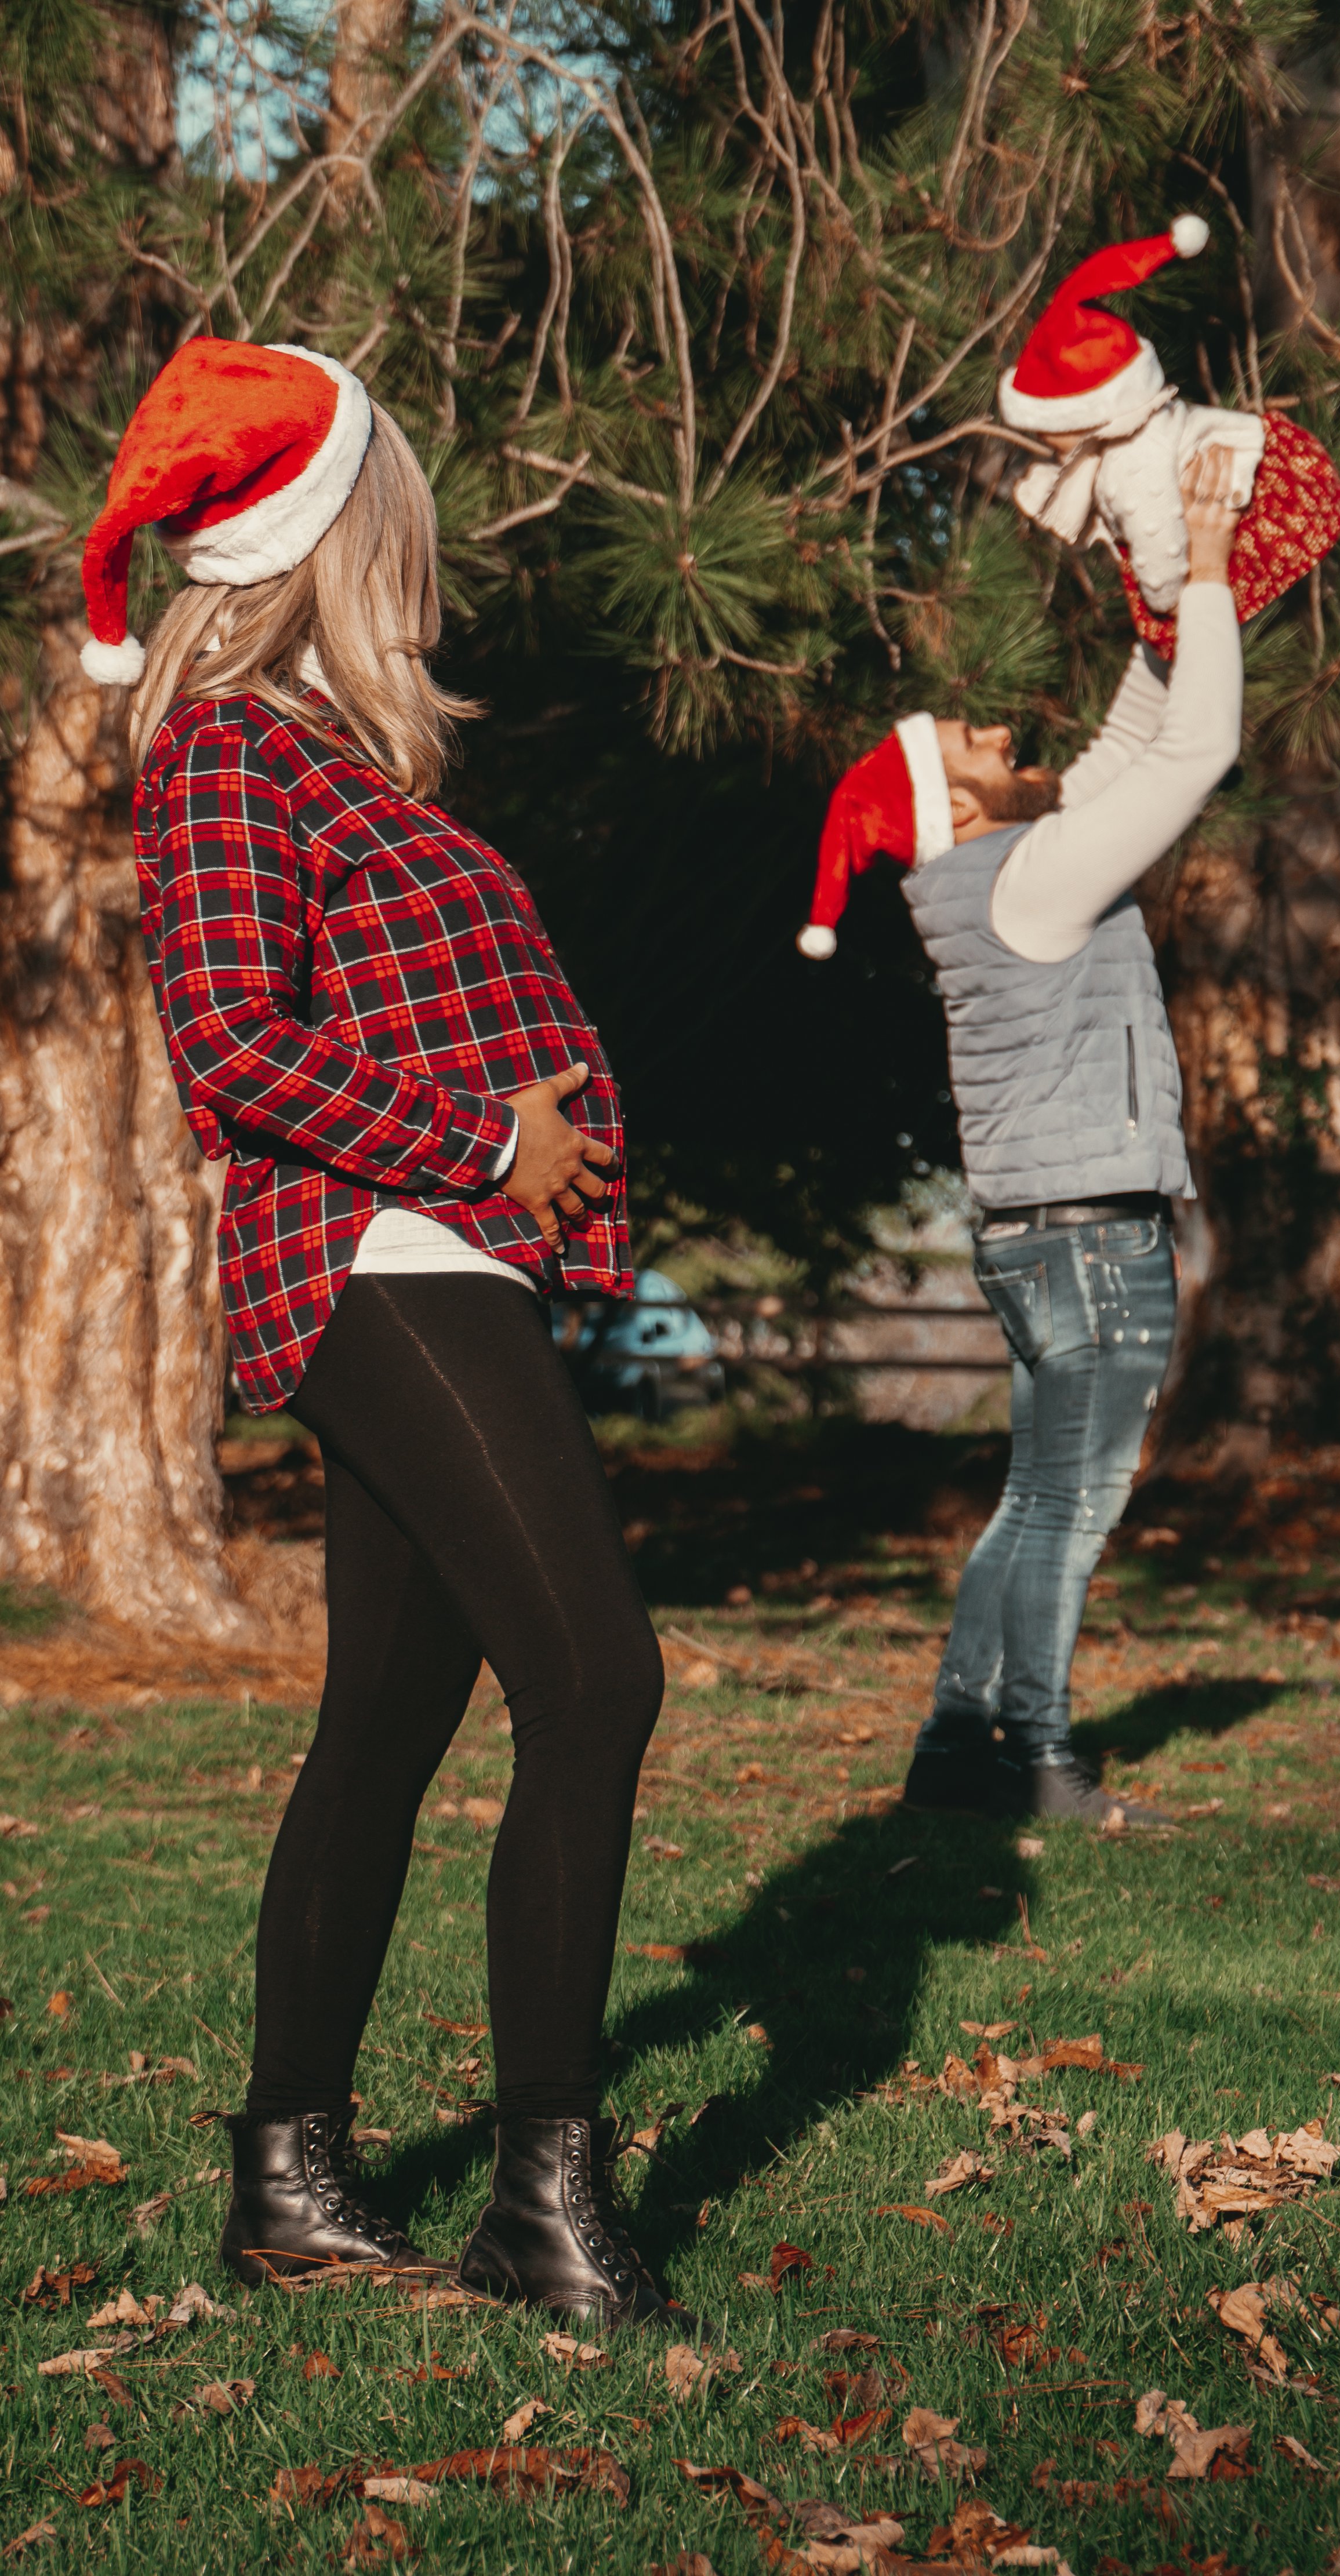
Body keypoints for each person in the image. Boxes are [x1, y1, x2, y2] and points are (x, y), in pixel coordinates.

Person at [80, 336, 687, 2329]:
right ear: (336, 529)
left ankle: (288, 2178)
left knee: (387, 1727)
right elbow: (235, 1046)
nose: (424, 554)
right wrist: (483, 1135)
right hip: (372, 1255)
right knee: (596, 1677)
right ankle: (544, 2195)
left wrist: (546, 1153)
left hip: (447, 1260)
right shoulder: (233, 748)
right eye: (401, 518)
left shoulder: (339, 753)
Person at [894, 444, 1247, 1828]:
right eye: (979, 748)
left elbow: (1140, 735)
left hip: (1037, 1240)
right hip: (1094, 1244)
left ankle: (949, 1746)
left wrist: (1163, 589)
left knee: (1026, 1502)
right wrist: (1211, 569)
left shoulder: (988, 873)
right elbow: (1202, 751)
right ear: (962, 809)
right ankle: (1036, 1760)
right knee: (1069, 1510)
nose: (1008, 740)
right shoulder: (1030, 875)